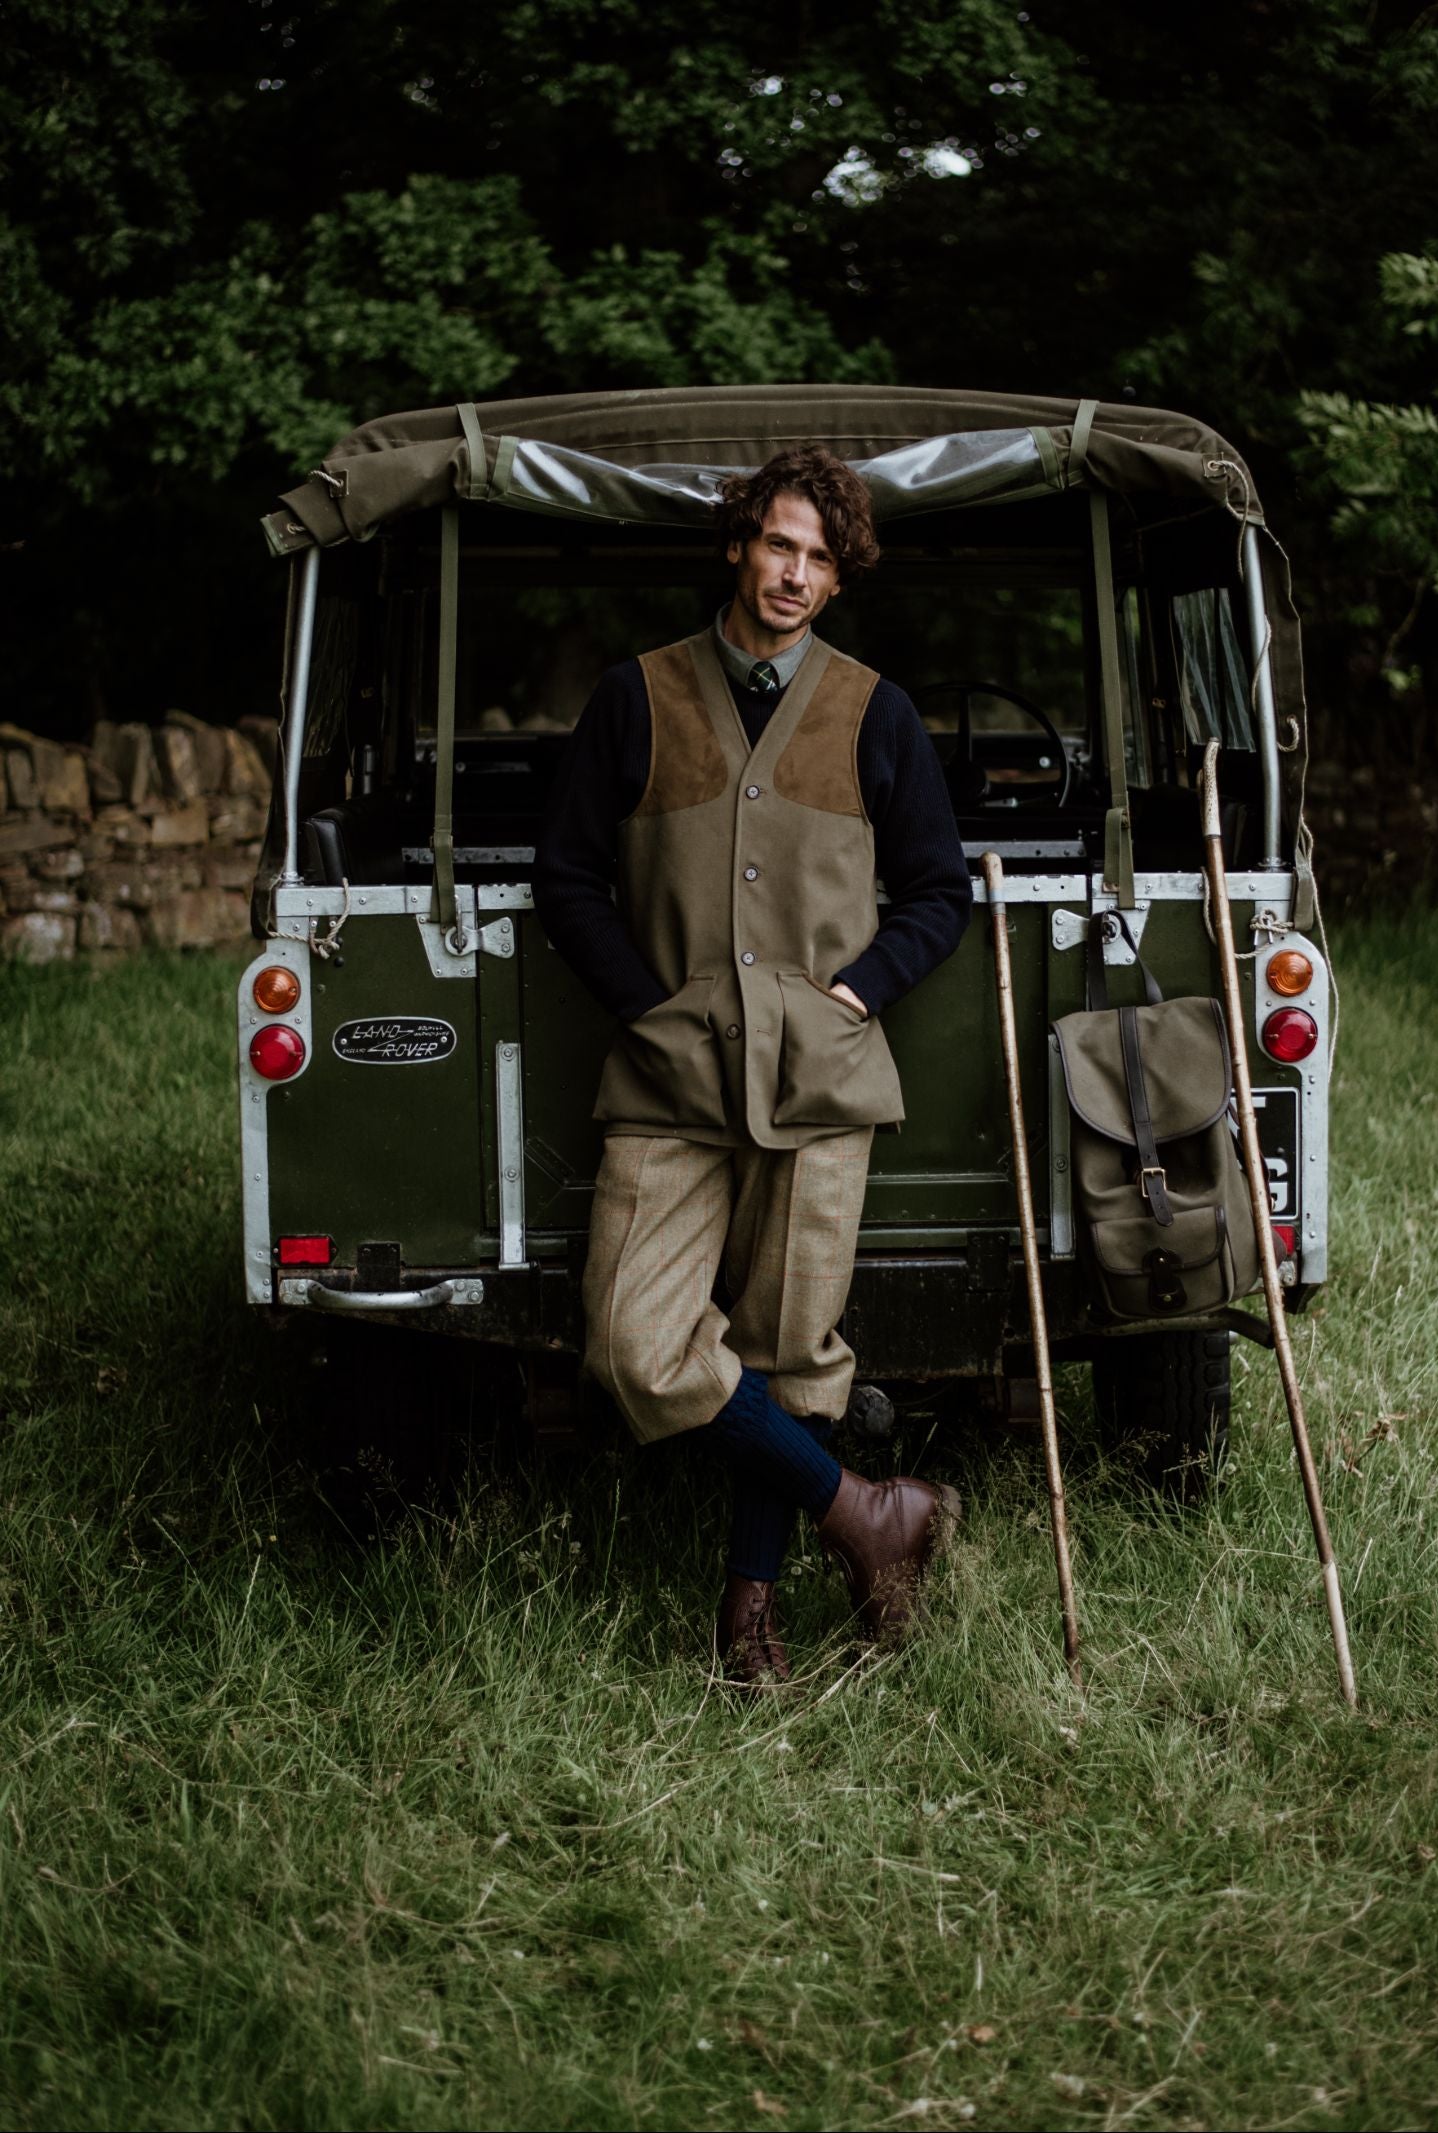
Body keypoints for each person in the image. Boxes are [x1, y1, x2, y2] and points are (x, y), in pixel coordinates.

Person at [534, 445, 973, 1685]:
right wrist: (646, 1004)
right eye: (779, 545)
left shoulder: (875, 712)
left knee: (791, 1351)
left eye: (820, 560)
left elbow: (937, 894)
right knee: (633, 1345)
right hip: (672, 1077)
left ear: (838, 582)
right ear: (739, 546)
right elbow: (564, 874)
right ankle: (870, 1518)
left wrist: (857, 991)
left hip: (818, 1078)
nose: (794, 575)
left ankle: (749, 1622)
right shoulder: (638, 696)